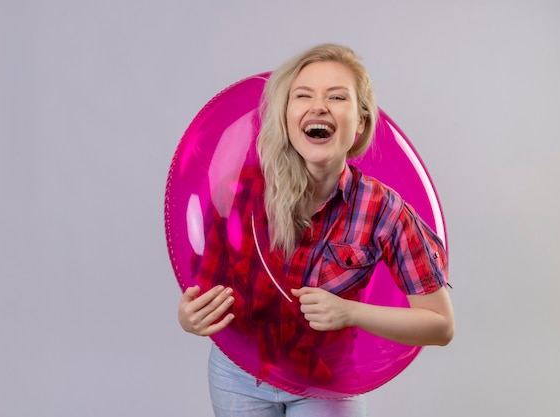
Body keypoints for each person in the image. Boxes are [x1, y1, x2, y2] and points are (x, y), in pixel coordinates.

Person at [177, 43, 455, 417]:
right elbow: (206, 291)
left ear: (359, 123)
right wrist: (191, 317)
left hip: (325, 384)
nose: (318, 106)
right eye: (302, 95)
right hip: (238, 375)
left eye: (337, 96)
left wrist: (350, 313)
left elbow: (440, 325)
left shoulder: (384, 210)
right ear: (287, 115)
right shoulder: (238, 193)